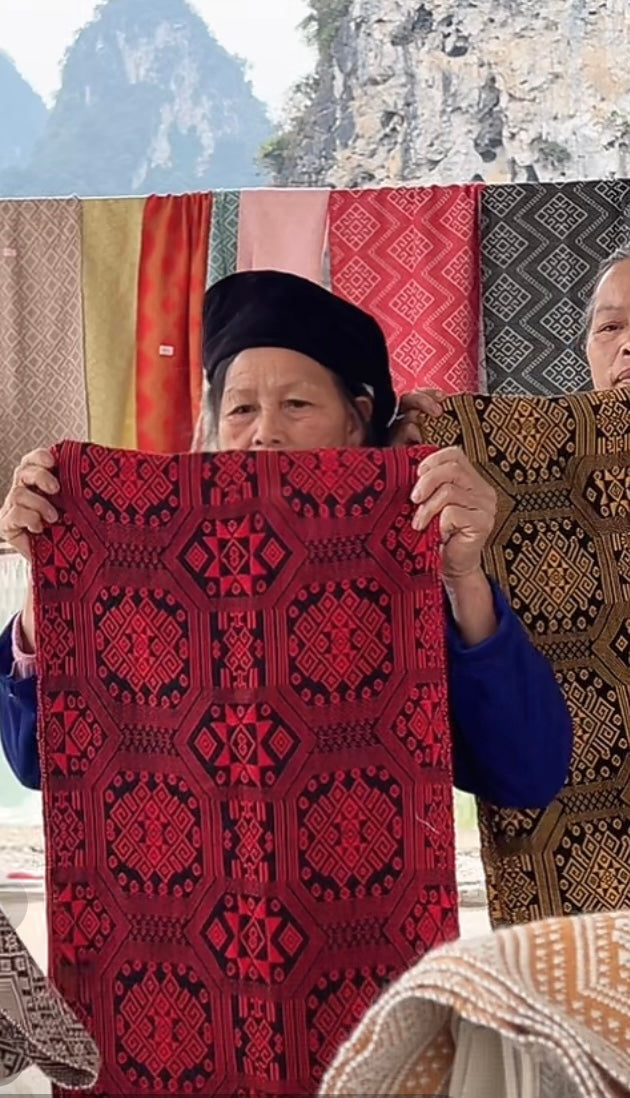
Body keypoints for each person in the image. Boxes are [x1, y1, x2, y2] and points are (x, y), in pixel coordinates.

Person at [0, 270, 571, 808]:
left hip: (361, 880)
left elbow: (526, 773)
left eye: (296, 405)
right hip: (173, 884)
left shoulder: (408, 567)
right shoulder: (149, 573)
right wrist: (49, 570)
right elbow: (37, 762)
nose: (265, 433)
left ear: (356, 420)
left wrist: (461, 577)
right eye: (241, 409)